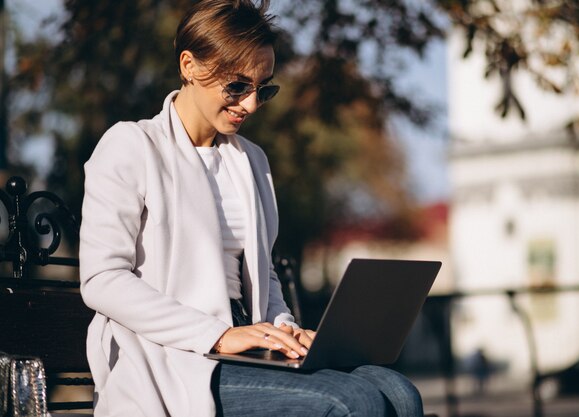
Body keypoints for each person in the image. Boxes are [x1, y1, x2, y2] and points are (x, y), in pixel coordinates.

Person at [79, 1, 425, 416]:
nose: (251, 105)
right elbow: (102, 279)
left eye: (264, 89)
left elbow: (265, 275)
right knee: (355, 401)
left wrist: (285, 330)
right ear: (189, 65)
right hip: (177, 357)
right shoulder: (133, 146)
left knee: (400, 392)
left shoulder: (251, 161)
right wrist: (220, 335)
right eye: (237, 87)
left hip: (248, 349)